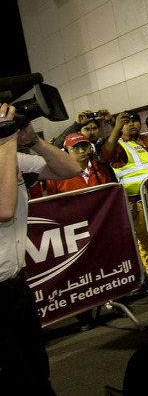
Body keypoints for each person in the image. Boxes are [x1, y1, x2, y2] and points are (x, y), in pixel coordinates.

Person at [1, 102, 81, 395]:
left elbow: (70, 168)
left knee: (36, 367)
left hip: (14, 284)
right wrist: (8, 142)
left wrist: (32, 141)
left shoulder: (11, 158)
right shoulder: (6, 156)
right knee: (13, 376)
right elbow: (4, 209)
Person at [45, 132, 116, 331]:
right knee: (81, 272)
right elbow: (54, 205)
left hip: (103, 227)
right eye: (76, 147)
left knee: (109, 264)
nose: (82, 150)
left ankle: (115, 299)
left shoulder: (101, 169)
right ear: (66, 151)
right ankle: (84, 314)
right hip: (75, 232)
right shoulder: (57, 174)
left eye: (85, 146)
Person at [101, 111, 148, 298]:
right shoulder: (119, 145)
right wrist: (115, 128)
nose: (132, 124)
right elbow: (107, 154)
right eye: (127, 122)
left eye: (135, 121)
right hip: (137, 202)